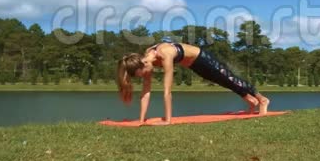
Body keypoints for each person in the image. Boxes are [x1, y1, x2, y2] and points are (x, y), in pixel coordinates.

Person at [116, 42, 270, 125]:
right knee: (221, 81)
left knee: (229, 78)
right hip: (193, 65)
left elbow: (167, 91)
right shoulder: (146, 61)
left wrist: (168, 121)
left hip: (202, 58)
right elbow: (146, 92)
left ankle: (262, 99)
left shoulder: (165, 54)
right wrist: (141, 120)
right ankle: (250, 100)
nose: (145, 76)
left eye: (142, 73)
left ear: (143, 64)